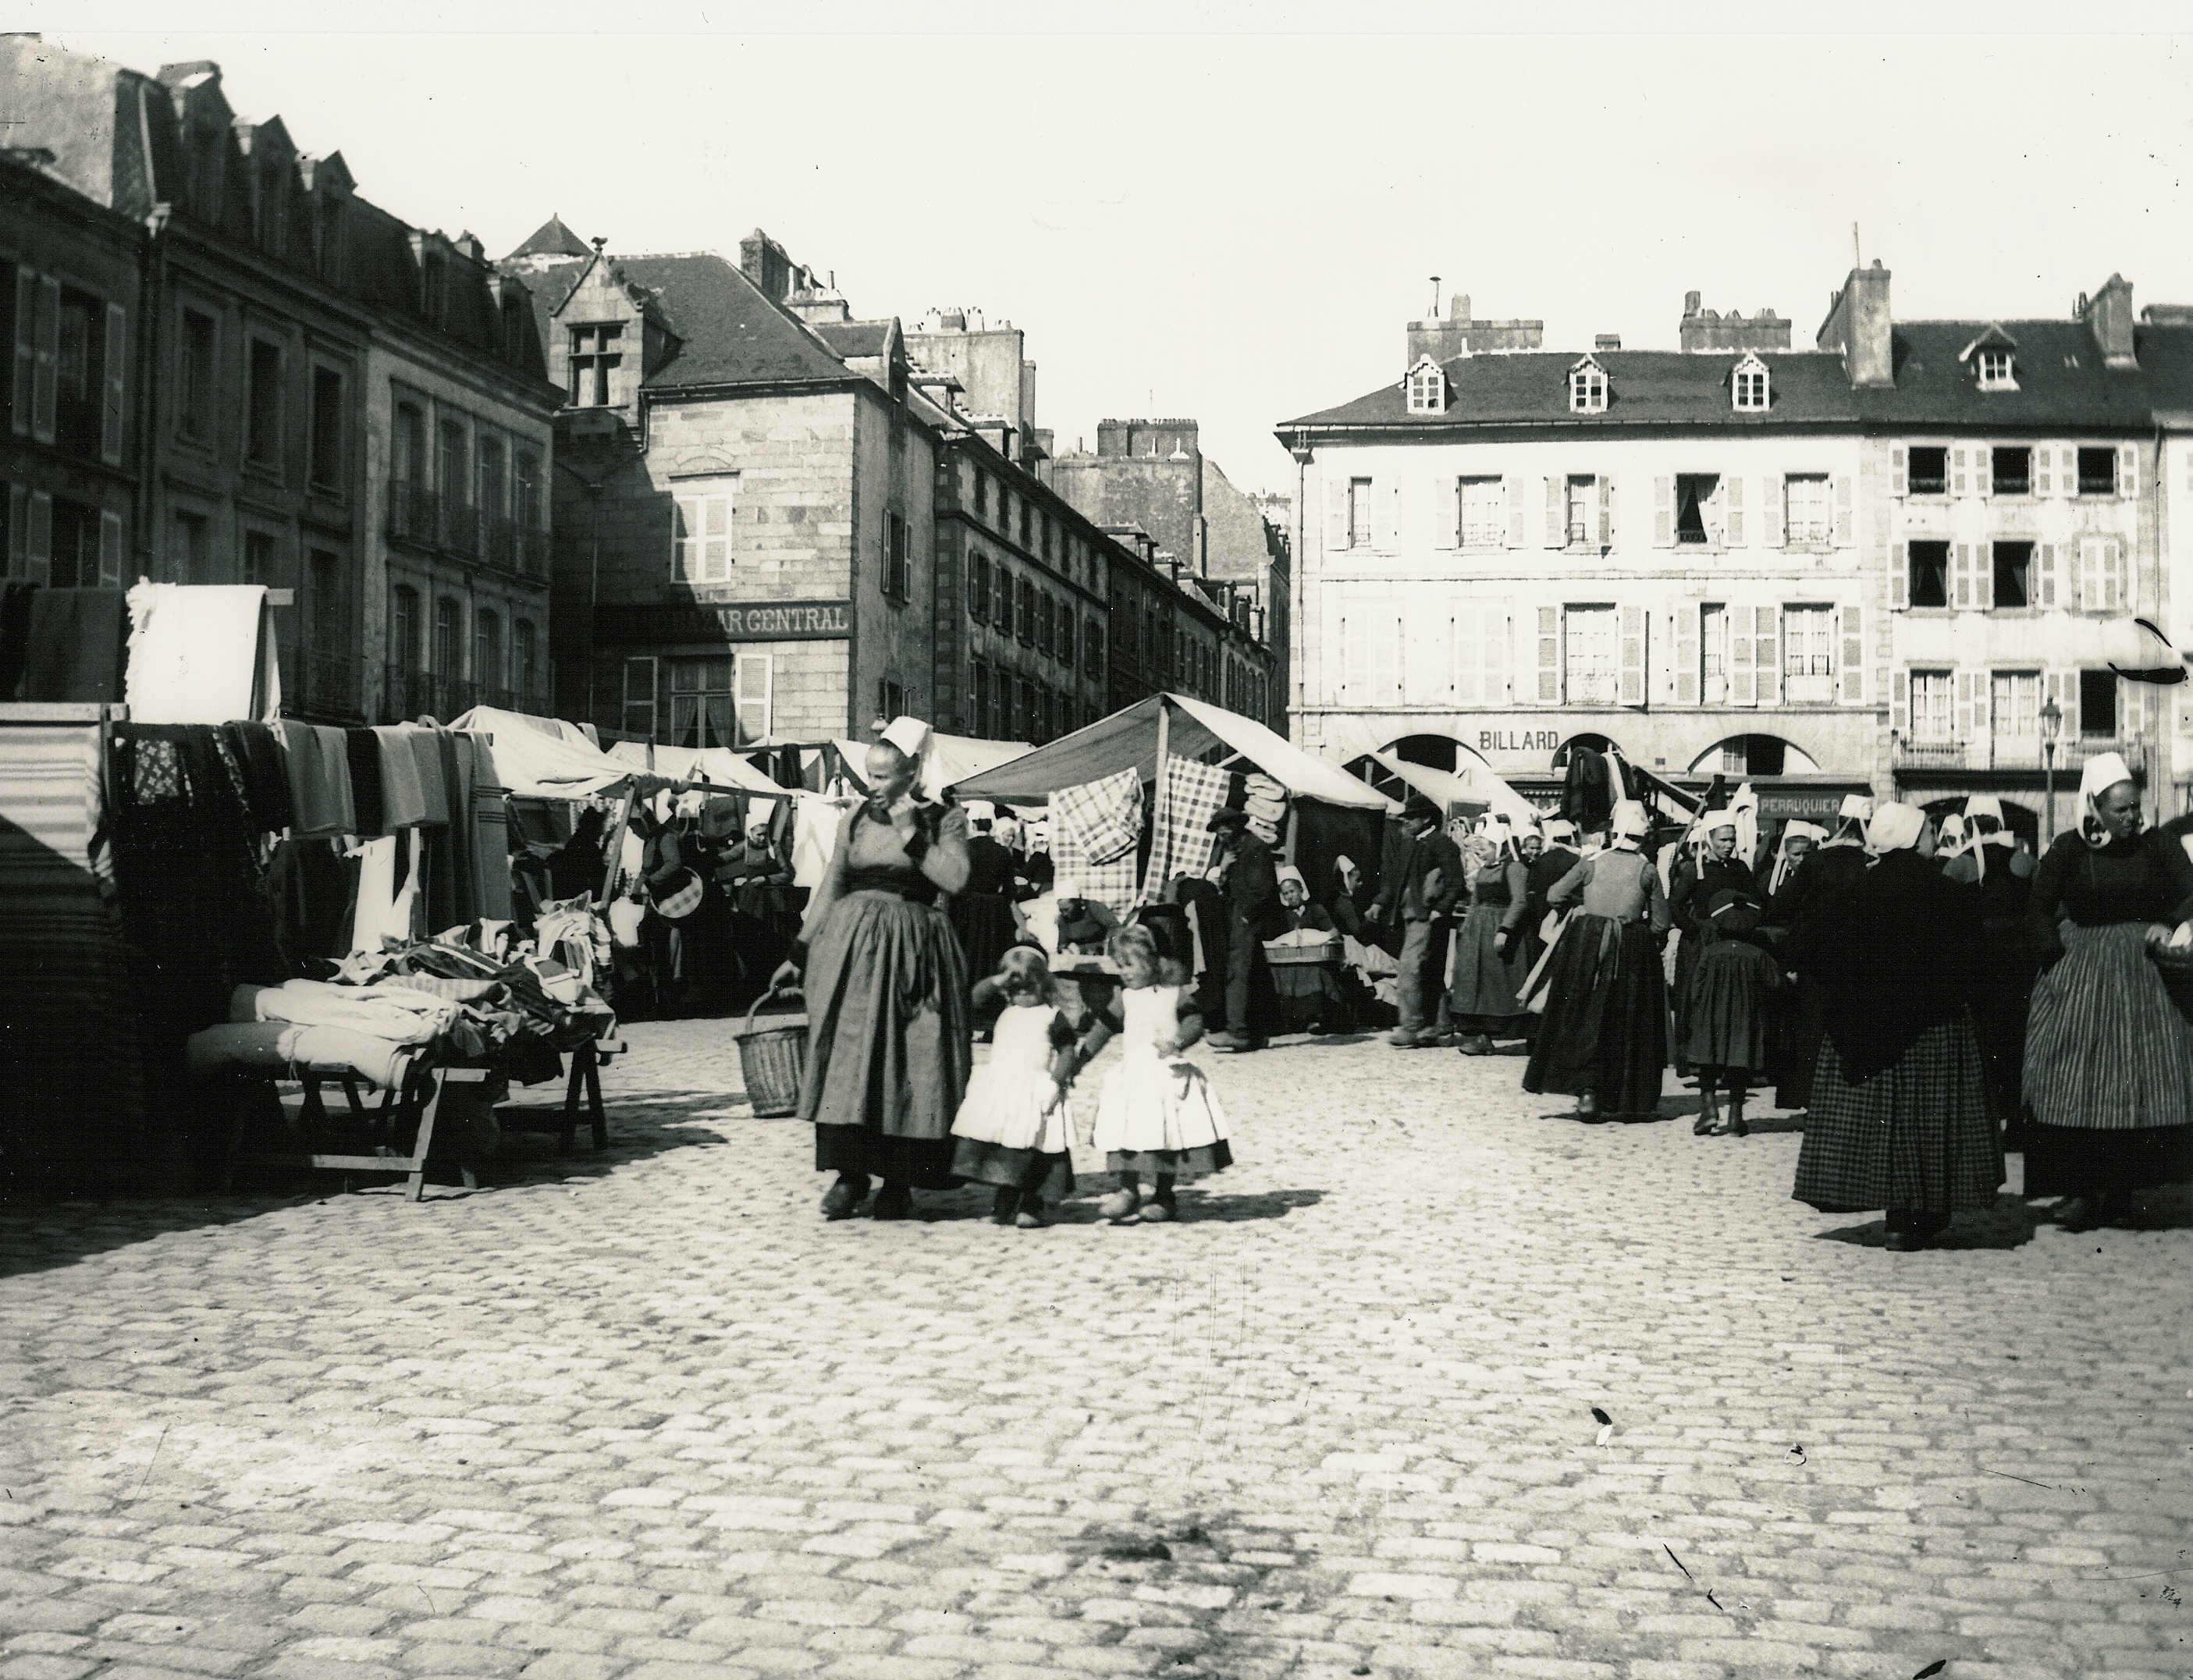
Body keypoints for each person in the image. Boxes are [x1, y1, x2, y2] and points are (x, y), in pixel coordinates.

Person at [771, 737, 973, 1221]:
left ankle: (898, 1182)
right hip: (850, 956)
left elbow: (956, 880)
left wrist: (911, 831)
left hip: (916, 955)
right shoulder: (855, 818)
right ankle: (850, 1175)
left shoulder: (944, 819)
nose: (873, 785)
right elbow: (830, 887)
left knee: (910, 1060)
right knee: (849, 1057)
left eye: (884, 776)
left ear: (913, 771)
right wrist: (798, 951)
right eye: (870, 773)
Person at [1791, 803, 2003, 1251]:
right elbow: (1975, 962)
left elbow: (1813, 950)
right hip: (1934, 1028)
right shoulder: (1947, 893)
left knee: (1885, 1121)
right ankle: (1919, 1212)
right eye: (1927, 831)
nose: (1932, 838)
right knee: (1926, 1119)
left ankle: (1896, 1214)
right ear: (1911, 838)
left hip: (1869, 1028)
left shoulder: (1853, 892)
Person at [2020, 755, 2193, 1231]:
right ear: (2094, 808)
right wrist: (2052, 954)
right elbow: (2038, 906)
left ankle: (2120, 1189)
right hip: (2082, 972)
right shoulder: (2071, 848)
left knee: (2136, 1084)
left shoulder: (2158, 845)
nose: (2132, 817)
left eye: (2135, 807)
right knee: (2073, 1079)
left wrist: (2171, 921)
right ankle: (2081, 1191)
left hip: (2142, 972)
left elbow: (2191, 890)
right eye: (2121, 810)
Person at [1070, 922, 1233, 1224]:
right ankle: (1127, 1190)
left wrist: (1177, 1041)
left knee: (1166, 1134)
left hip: (1164, 1077)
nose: (1124, 972)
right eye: (1120, 966)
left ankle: (1163, 1195)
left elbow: (1195, 1023)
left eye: (1130, 965)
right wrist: (1079, 1060)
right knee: (1125, 1132)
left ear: (1151, 961)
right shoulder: (1125, 999)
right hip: (1133, 1075)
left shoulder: (1174, 995)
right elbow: (1101, 1030)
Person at [1523, 801, 1672, 1121]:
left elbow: (1554, 895)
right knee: (1624, 1021)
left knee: (1584, 1016)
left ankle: (1587, 1092)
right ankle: (1624, 1097)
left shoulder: (1590, 862)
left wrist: (1584, 908)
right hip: (1631, 950)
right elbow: (1661, 921)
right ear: (1642, 837)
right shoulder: (1647, 869)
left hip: (1587, 947)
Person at [949, 946, 1079, 1228]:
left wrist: (1056, 1083)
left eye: (1029, 988)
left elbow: (1068, 1050)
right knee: (1005, 1148)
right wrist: (998, 980)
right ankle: (1004, 1202)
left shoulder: (1051, 1015)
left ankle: (1032, 1204)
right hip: (1004, 1088)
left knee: (1036, 1148)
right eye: (1016, 988)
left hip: (1036, 1090)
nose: (1023, 995)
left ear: (1044, 985)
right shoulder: (1006, 1011)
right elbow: (973, 999)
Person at [1939, 793, 2038, 1145]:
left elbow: (1946, 921)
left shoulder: (1960, 864)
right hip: (2017, 962)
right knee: (2016, 1039)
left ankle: (1981, 1121)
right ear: (1999, 823)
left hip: (1975, 961)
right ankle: (2016, 1118)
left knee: (1980, 1041)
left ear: (1967, 825)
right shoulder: (2022, 860)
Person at [1769, 795, 1875, 1111]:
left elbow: (1781, 906)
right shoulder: (1870, 862)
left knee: (1813, 1033)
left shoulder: (1816, 861)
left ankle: (1813, 1101)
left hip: (1817, 965)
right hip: (1859, 965)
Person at [1681, 887, 1783, 1137]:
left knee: (1708, 1065)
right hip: (1745, 1020)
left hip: (1711, 1018)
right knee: (1740, 1066)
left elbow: (1696, 987)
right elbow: (1774, 984)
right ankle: (1736, 1117)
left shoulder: (1709, 953)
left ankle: (1709, 1110)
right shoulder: (1758, 955)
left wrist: (1695, 1014)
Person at [1365, 794, 1462, 1048]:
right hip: (1411, 917)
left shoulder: (1442, 844)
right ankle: (1441, 1029)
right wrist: (1379, 903)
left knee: (1409, 969)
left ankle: (1411, 1027)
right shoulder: (1410, 844)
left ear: (1426, 818)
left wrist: (1440, 909)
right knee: (1429, 970)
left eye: (1410, 818)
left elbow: (1455, 882)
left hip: (1427, 917)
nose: (1405, 823)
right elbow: (1395, 880)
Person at [1669, 810, 1755, 1073]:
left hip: (1732, 943)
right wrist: (1695, 931)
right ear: (1709, 839)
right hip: (1702, 945)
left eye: (1732, 840)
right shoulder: (1695, 871)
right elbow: (1674, 905)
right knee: (1698, 1000)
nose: (1728, 845)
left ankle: (1727, 1060)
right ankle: (1696, 1060)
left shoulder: (1740, 869)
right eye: (1723, 840)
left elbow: (1754, 900)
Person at [1448, 819, 1534, 1055]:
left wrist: (1505, 930)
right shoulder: (1485, 870)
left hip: (1499, 930)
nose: (1481, 853)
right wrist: (1468, 929)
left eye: (1485, 848)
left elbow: (1519, 901)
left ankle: (1500, 1033)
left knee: (1499, 983)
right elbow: (1475, 901)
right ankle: (1481, 1036)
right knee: (1479, 982)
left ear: (1498, 846)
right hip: (1479, 933)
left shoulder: (1514, 868)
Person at [1205, 808, 1284, 1053]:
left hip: (1247, 918)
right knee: (1255, 974)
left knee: (1237, 973)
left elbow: (1263, 889)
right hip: (1236, 917)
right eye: (1218, 828)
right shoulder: (1228, 851)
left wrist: (1246, 916)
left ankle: (1237, 1032)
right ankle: (1257, 1035)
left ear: (1237, 825)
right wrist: (1225, 868)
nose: (1221, 832)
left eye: (1225, 827)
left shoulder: (1255, 847)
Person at [951, 806, 1022, 1014]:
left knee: (966, 958)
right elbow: (1010, 890)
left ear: (971, 824)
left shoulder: (962, 848)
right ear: (992, 825)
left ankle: (966, 1011)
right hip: (995, 912)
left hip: (966, 910)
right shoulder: (1002, 852)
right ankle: (990, 1012)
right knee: (992, 959)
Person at [1267, 864, 1346, 1035]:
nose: (1290, 896)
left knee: (1315, 971)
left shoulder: (1316, 909)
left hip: (1315, 957)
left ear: (1301, 890)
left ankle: (1315, 1018)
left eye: (1293, 891)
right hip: (1290, 957)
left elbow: (1332, 933)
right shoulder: (1281, 915)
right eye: (1286, 893)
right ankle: (1290, 1021)